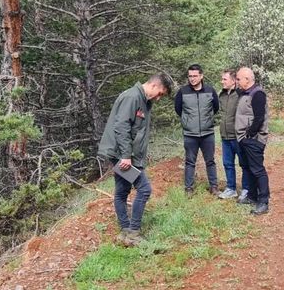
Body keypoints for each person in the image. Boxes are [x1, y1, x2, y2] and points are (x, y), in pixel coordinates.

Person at [98, 74, 172, 246]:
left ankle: (125, 232)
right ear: (153, 85)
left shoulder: (144, 101)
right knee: (144, 189)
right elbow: (121, 127)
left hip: (125, 155)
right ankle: (133, 234)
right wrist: (126, 156)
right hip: (120, 155)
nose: (159, 98)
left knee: (122, 191)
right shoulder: (132, 97)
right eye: (160, 93)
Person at [174, 64, 220, 197]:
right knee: (189, 162)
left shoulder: (210, 91)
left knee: (210, 160)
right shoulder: (182, 92)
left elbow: (215, 107)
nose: (192, 79)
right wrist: (187, 122)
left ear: (201, 76)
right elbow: (178, 109)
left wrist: (207, 121)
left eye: (195, 76)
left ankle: (214, 186)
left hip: (207, 133)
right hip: (190, 134)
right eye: (190, 76)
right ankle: (189, 188)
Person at [235, 67, 270, 215]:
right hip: (244, 139)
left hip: (253, 140)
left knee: (258, 170)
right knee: (248, 168)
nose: (236, 81)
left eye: (238, 79)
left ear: (247, 80)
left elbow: (259, 117)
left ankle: (263, 202)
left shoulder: (258, 94)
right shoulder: (244, 93)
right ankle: (252, 197)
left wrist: (250, 135)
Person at [217, 69, 250, 200]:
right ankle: (231, 188)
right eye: (222, 79)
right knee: (227, 163)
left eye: (224, 79)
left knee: (244, 164)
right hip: (225, 136)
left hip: (238, 137)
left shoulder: (241, 94)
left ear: (233, 80)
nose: (222, 82)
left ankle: (246, 189)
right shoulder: (222, 95)